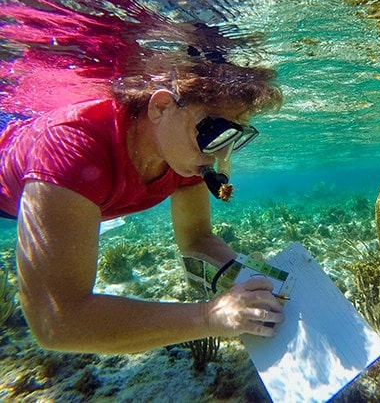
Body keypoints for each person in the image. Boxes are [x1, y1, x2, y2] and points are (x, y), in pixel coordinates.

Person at [0, 61, 285, 354]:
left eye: (234, 137)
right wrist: (208, 317)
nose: (220, 156)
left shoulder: (186, 157)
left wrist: (252, 277)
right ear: (161, 107)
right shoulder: (71, 148)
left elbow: (197, 239)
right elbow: (58, 322)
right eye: (214, 133)